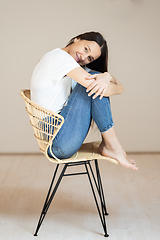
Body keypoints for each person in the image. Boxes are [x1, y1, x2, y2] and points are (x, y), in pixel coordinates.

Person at [31, 31, 138, 171]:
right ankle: (112, 145)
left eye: (89, 58)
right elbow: (109, 87)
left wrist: (106, 76)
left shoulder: (71, 67)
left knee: (96, 79)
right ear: (77, 39)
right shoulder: (59, 57)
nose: (84, 57)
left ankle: (111, 145)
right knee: (94, 80)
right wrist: (105, 80)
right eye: (86, 49)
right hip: (56, 140)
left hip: (59, 139)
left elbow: (115, 85)